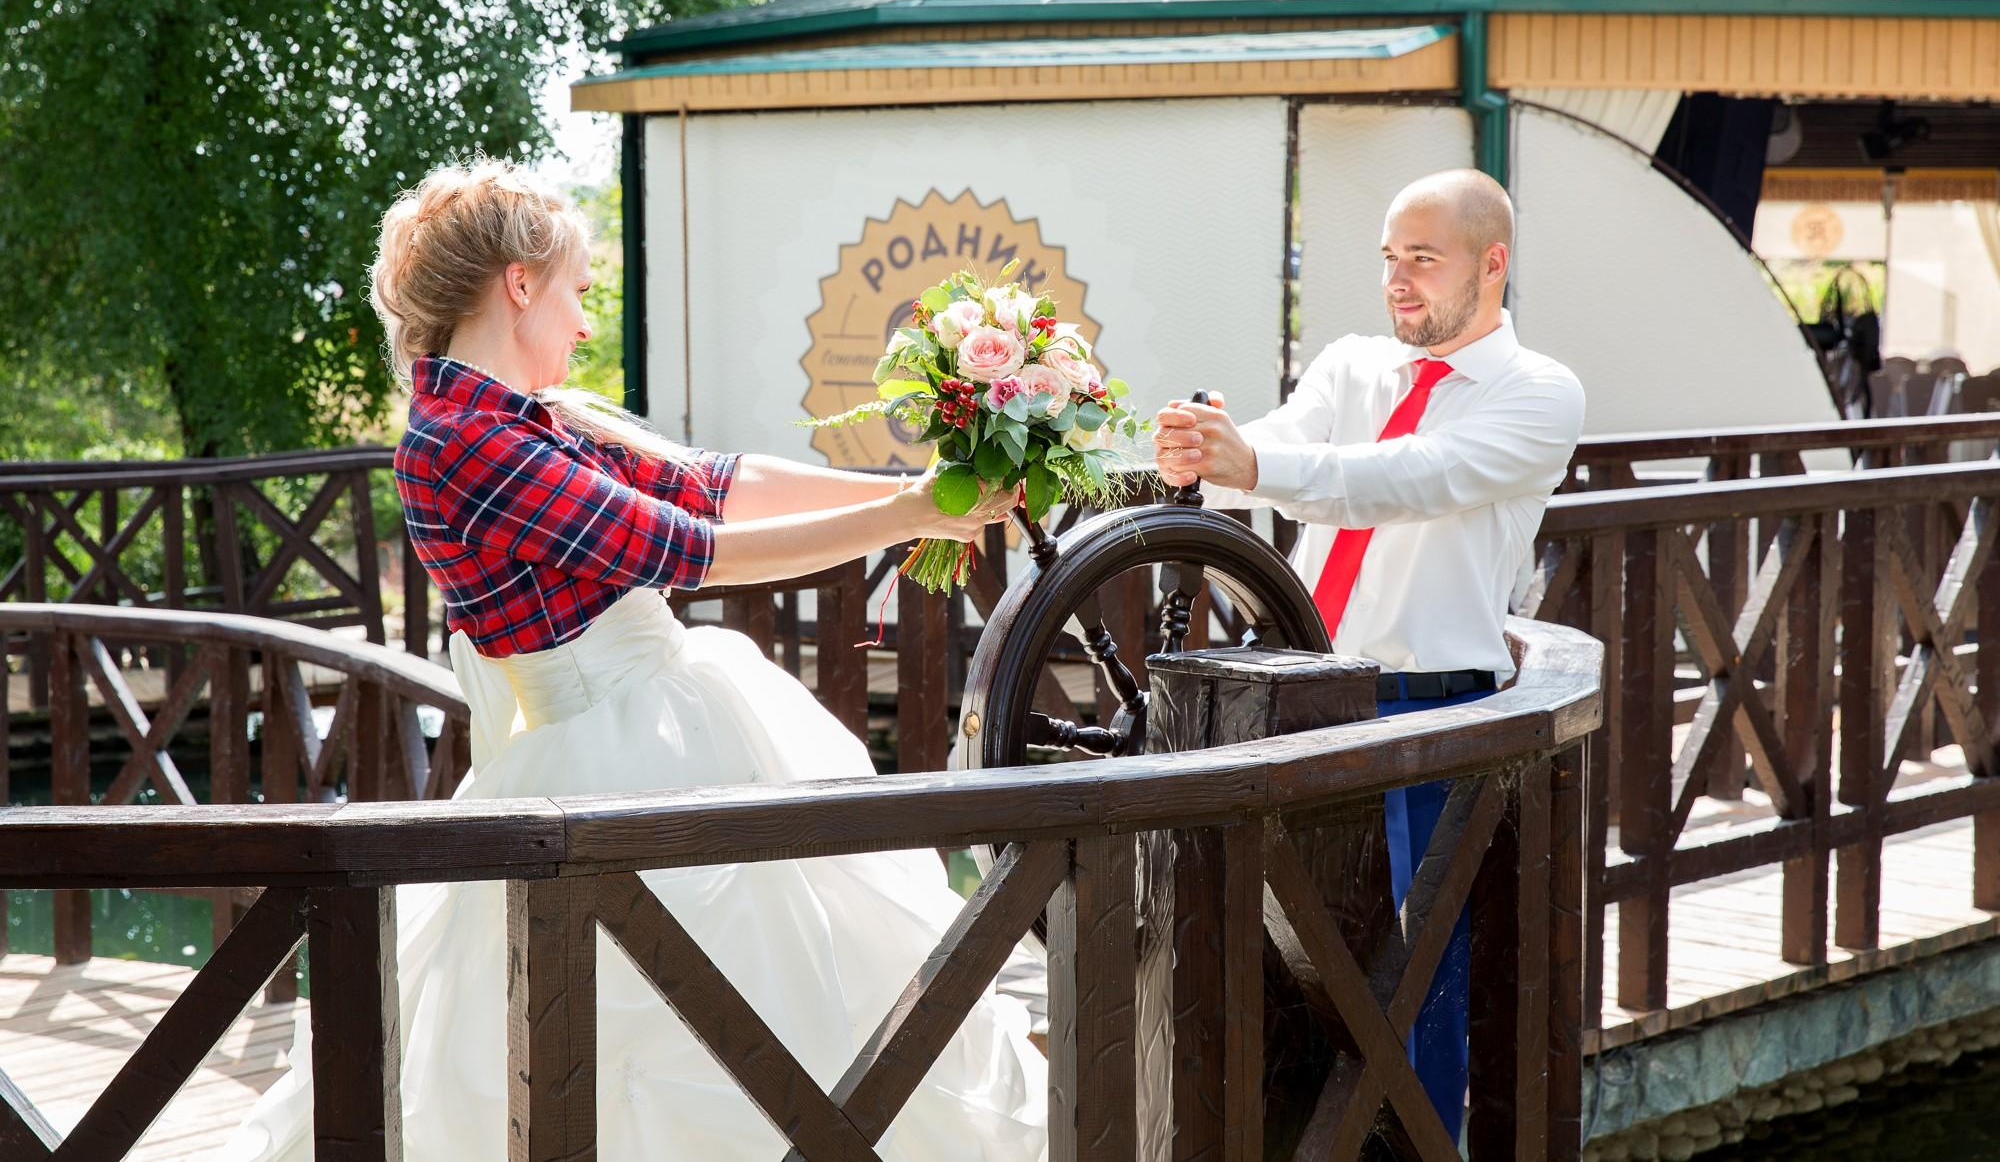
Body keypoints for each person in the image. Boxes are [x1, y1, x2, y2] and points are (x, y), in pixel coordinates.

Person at [217, 159, 1046, 1160]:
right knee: (681, 1019)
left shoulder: (535, 415)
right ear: (517, 283)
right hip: (609, 751)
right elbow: (691, 551)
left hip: (664, 720)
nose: (579, 318)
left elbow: (717, 486)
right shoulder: (460, 441)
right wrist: (908, 513)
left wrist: (903, 483)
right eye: (572, 290)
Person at [1151, 168, 1584, 1141]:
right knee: (1266, 959)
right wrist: (1200, 452)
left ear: (1492, 263)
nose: (1397, 281)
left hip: (1424, 713)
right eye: (1389, 259)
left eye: (1421, 261)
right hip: (1299, 696)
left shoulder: (1538, 393)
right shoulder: (1350, 366)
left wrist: (1250, 464)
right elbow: (1274, 451)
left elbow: (1402, 480)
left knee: (1406, 972)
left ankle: (1419, 1144)